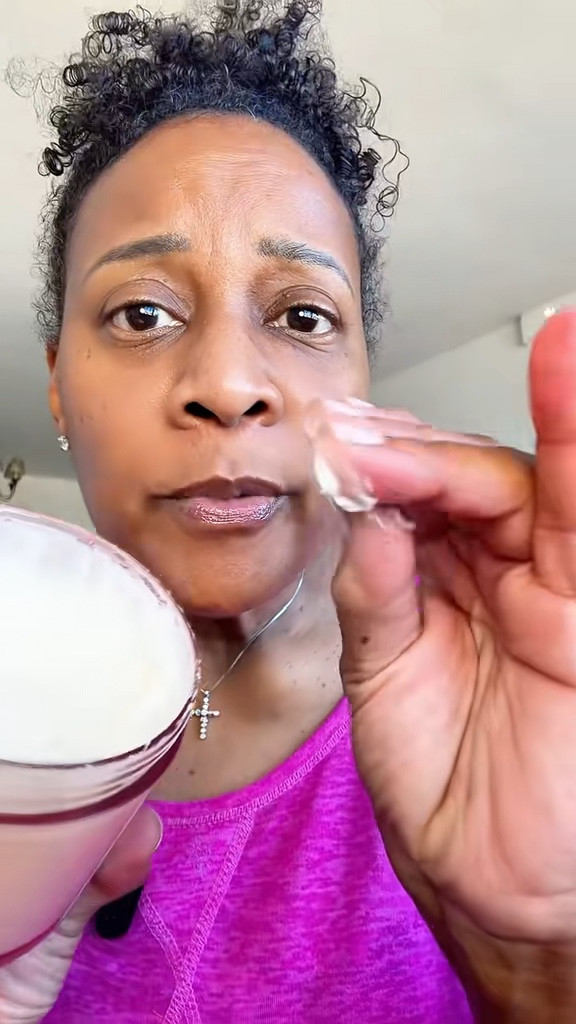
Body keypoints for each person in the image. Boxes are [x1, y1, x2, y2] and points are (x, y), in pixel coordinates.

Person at [2, 1, 576, 1020]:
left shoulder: (507, 711)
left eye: (303, 315)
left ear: (360, 377)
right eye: (143, 312)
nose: (228, 384)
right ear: (57, 384)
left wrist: (536, 969)